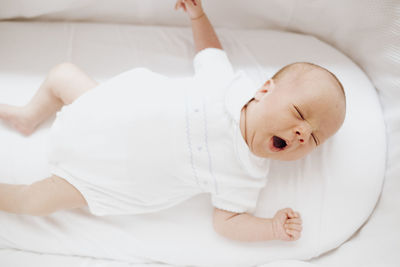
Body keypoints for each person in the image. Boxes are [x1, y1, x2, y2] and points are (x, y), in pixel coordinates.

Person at [0, 0, 346, 243]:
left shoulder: (247, 175)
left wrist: (270, 228)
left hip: (102, 177)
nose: (303, 133)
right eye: (300, 115)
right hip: (101, 109)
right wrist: (198, 16)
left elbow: (227, 223)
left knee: (35, 202)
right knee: (63, 75)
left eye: (314, 140)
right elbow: (209, 52)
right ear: (264, 89)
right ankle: (29, 116)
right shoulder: (225, 83)